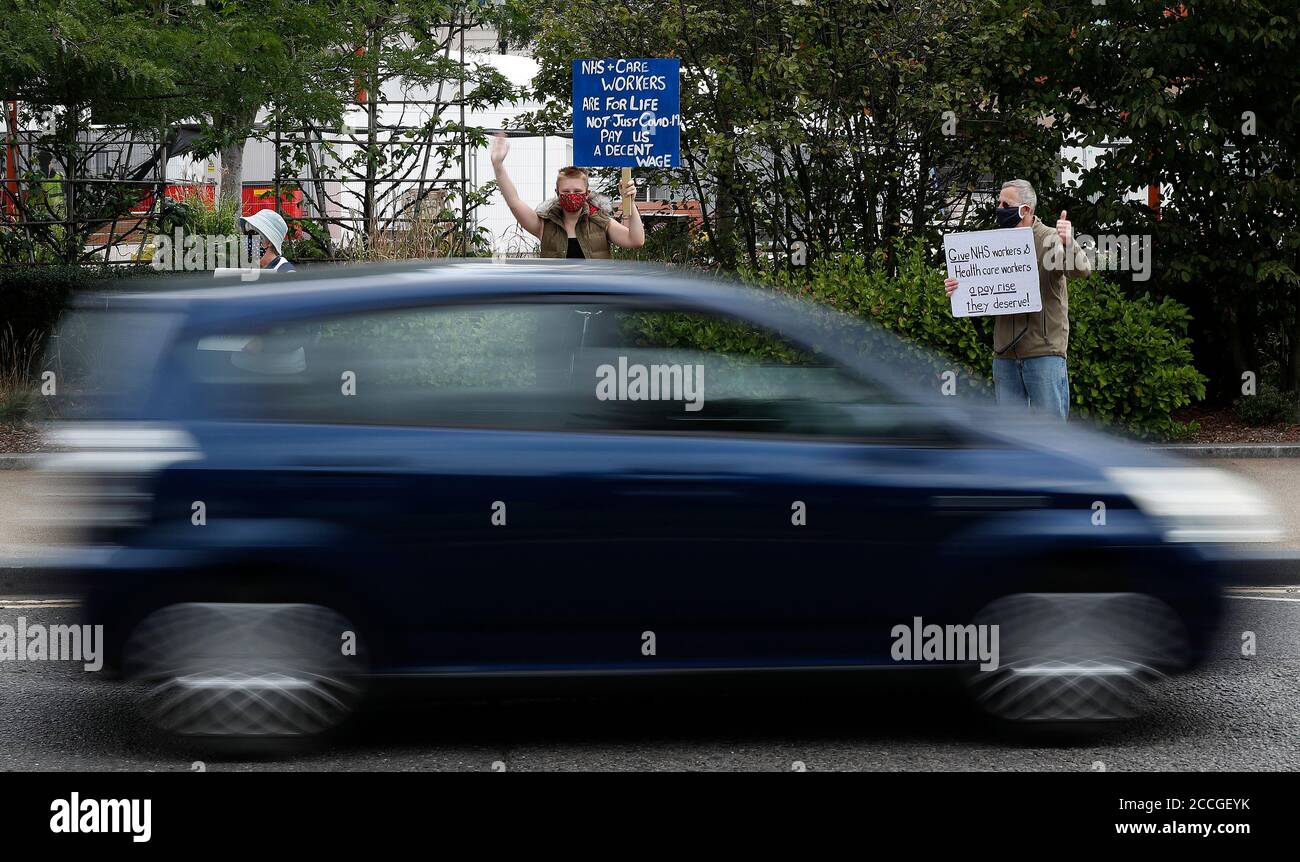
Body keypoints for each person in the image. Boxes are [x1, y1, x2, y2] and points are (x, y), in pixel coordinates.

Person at [944, 179, 1090, 420]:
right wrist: (959, 288)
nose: (1000, 209)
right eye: (999, 203)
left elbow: (1081, 270)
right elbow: (982, 287)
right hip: (1005, 354)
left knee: (1051, 432)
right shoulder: (993, 244)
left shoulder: (1050, 239)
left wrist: (1069, 241)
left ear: (1026, 210)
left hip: (1043, 351)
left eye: (1005, 204)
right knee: (1012, 435)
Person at [489, 132, 645, 257]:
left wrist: (630, 201)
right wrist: (498, 166)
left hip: (594, 295)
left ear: (587, 193)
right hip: (557, 296)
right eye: (566, 192)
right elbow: (514, 201)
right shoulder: (544, 225)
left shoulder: (601, 222)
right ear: (557, 192)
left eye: (577, 191)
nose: (571, 195)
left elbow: (636, 240)